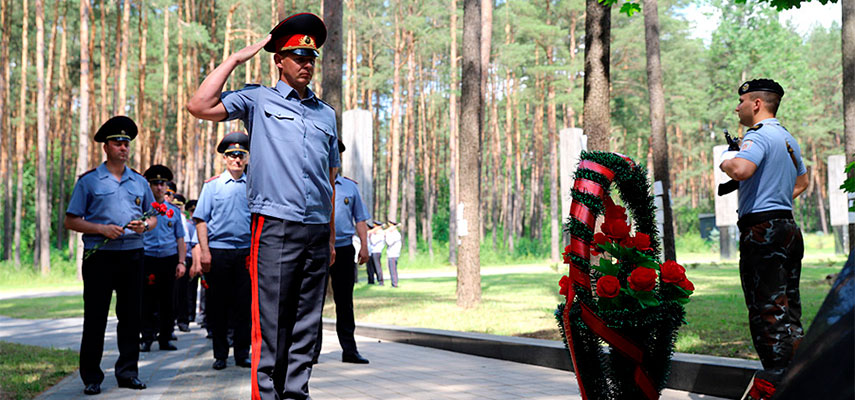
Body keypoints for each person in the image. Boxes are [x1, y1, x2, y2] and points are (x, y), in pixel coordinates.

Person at [187, 12, 339, 399]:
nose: (306, 64)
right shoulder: (258, 99)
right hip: (275, 226)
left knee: (307, 324)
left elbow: (331, 180)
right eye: (298, 57)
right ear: (279, 60)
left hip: (317, 230)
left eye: (311, 58)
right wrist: (235, 60)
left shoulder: (326, 114)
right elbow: (199, 106)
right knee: (270, 322)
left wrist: (331, 235)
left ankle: (296, 394)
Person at [719, 78, 809, 400]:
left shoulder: (756, 137)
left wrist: (726, 161)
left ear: (756, 104)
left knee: (766, 311)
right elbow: (803, 181)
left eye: (741, 101)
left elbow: (741, 169)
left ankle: (778, 386)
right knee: (790, 311)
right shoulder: (787, 138)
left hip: (762, 231)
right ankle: (799, 377)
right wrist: (777, 195)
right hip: (787, 228)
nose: (737, 107)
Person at [64, 116, 153, 395]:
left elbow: (153, 218)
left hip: (133, 255)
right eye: (118, 142)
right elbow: (71, 220)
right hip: (99, 257)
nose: (123, 147)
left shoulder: (140, 182)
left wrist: (144, 225)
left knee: (131, 317)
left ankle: (128, 373)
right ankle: (91, 377)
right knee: (95, 318)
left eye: (127, 143)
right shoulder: (89, 181)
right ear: (106, 147)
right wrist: (100, 228)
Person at [190, 132, 253, 370]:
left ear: (246, 158)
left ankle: (242, 354)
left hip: (245, 253)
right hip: (218, 252)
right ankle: (220, 354)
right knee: (218, 306)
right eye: (232, 155)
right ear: (225, 158)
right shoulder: (213, 186)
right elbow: (201, 221)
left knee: (244, 306)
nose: (236, 159)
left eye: (241, 155)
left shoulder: (254, 185)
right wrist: (205, 252)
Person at [313, 140, 371, 364]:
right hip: (317, 249)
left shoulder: (349, 187)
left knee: (345, 301)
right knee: (314, 301)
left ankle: (349, 350)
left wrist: (364, 245)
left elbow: (360, 219)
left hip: (344, 249)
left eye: (334, 155)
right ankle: (312, 352)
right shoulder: (315, 185)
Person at [140, 165, 186, 352]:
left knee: (168, 301)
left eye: (162, 184)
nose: (159, 187)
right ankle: (147, 338)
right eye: (155, 184)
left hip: (169, 259)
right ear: (149, 186)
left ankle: (165, 337)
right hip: (148, 258)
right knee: (147, 301)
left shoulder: (173, 211)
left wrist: (181, 262)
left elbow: (180, 238)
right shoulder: (142, 209)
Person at [171, 193, 193, 333]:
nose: (177, 208)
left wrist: (182, 261)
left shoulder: (183, 219)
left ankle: (183, 320)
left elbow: (184, 240)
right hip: (169, 255)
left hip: (181, 257)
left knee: (182, 291)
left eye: (179, 206)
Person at [384, 221, 402, 288]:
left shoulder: (396, 234)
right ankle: (394, 283)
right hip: (391, 254)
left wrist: (386, 234)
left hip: (393, 254)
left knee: (393, 270)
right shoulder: (393, 234)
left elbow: (389, 242)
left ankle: (394, 284)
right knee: (392, 270)